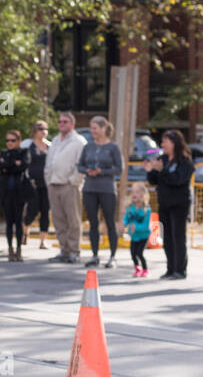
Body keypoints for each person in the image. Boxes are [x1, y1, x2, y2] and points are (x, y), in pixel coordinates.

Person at [144, 130, 194, 279]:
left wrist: (162, 170)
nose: (162, 144)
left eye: (166, 141)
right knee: (167, 237)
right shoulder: (162, 159)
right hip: (164, 202)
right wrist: (150, 170)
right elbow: (154, 180)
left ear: (175, 143)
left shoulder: (184, 161)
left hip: (179, 204)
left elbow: (177, 180)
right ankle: (170, 268)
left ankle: (180, 269)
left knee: (178, 236)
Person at [78, 115, 124, 268]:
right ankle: (94, 255)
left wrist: (102, 171)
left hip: (107, 189)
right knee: (93, 223)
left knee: (110, 222)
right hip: (90, 188)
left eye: (95, 128)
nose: (92, 131)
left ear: (104, 128)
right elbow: (80, 165)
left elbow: (119, 168)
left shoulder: (113, 147)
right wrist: (88, 171)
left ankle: (112, 256)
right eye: (91, 128)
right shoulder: (88, 147)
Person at [44, 113, 85, 264]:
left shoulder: (78, 142)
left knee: (73, 219)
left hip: (69, 186)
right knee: (58, 220)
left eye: (65, 121)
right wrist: (48, 179)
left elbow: (82, 164)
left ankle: (74, 251)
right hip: (54, 184)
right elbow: (49, 162)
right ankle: (64, 250)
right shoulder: (55, 140)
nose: (61, 124)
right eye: (60, 121)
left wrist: (74, 181)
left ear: (72, 124)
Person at [0, 129, 33, 261]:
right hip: (6, 193)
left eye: (13, 140)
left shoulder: (24, 152)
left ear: (18, 141)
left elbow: (22, 166)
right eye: (7, 140)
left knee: (18, 222)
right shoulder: (3, 153)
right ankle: (10, 249)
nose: (10, 143)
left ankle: (19, 249)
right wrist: (12, 164)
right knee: (8, 222)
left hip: (19, 193)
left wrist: (8, 165)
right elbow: (0, 165)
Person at [23, 121, 52, 251]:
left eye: (45, 129)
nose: (43, 131)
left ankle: (43, 241)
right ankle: (25, 230)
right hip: (32, 183)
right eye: (40, 129)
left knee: (45, 211)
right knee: (32, 210)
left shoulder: (50, 146)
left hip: (46, 184)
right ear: (35, 130)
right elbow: (23, 164)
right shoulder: (27, 145)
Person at [123, 182, 153, 277]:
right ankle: (137, 268)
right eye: (132, 192)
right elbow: (126, 218)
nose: (134, 194)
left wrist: (137, 227)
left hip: (143, 235)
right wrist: (123, 224)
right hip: (134, 236)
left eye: (137, 192)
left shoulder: (146, 209)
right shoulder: (130, 208)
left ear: (143, 195)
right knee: (132, 253)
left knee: (139, 253)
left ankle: (145, 269)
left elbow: (146, 225)